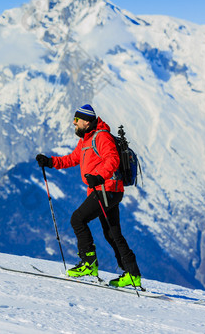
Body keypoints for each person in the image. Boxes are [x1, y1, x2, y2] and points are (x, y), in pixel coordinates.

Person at [36, 104, 141, 288]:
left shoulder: (101, 136)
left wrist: (99, 175)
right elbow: (72, 159)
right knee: (112, 233)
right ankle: (132, 273)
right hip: (105, 190)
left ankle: (89, 263)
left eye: (76, 121)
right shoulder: (86, 140)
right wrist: (50, 162)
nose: (74, 124)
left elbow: (112, 159)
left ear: (86, 121)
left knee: (78, 219)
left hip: (106, 189)